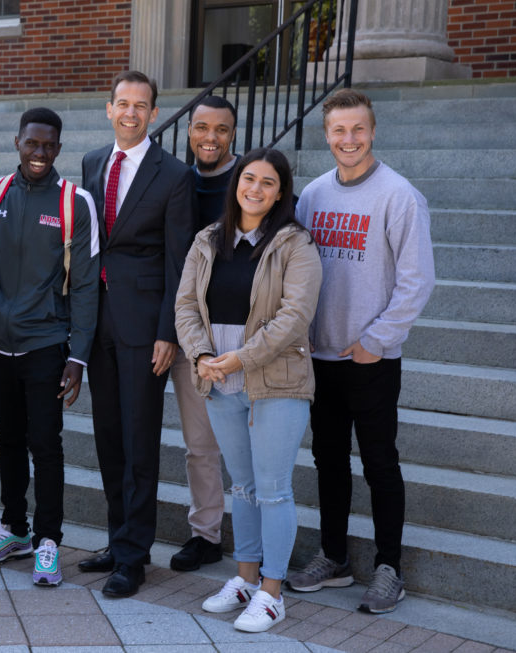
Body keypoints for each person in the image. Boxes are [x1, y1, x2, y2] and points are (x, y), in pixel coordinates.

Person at [288, 88, 435, 614]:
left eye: (357, 129)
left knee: (379, 464)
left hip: (370, 359)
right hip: (320, 358)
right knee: (328, 461)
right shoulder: (313, 195)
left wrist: (375, 342)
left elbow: (417, 281)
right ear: (326, 135)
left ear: (372, 131)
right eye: (338, 131)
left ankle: (388, 568)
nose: (348, 140)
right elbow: (296, 273)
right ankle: (334, 556)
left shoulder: (399, 195)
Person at [0, 107, 99, 587]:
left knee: (45, 443)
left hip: (45, 344)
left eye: (49, 145)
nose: (39, 153)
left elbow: (84, 287)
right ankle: (13, 528)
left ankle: (48, 539)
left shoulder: (75, 202)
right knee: (9, 440)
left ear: (59, 147)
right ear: (17, 142)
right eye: (31, 144)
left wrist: (78, 355)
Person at [175, 147, 322, 632]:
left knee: (274, 490)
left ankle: (272, 592)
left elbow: (294, 317)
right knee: (243, 485)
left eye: (268, 183)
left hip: (274, 377)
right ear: (236, 182)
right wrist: (199, 355)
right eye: (248, 179)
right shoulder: (207, 240)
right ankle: (244, 578)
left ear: (281, 193)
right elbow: (186, 306)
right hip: (218, 376)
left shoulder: (294, 244)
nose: (255, 189)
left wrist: (241, 357)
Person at [79, 71, 197, 598]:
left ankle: (134, 557)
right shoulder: (92, 163)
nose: (130, 113)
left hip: (145, 327)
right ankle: (116, 537)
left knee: (139, 441)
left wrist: (168, 331)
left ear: (153, 113)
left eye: (140, 105)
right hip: (96, 321)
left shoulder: (174, 175)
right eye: (122, 103)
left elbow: (180, 262)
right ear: (109, 109)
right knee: (108, 438)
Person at [168, 95, 239, 571]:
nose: (210, 138)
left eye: (221, 129)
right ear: (189, 130)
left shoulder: (250, 180)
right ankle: (206, 534)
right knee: (199, 445)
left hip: (237, 333)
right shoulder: (176, 180)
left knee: (238, 447)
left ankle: (238, 542)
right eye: (201, 127)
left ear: (233, 133)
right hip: (183, 328)